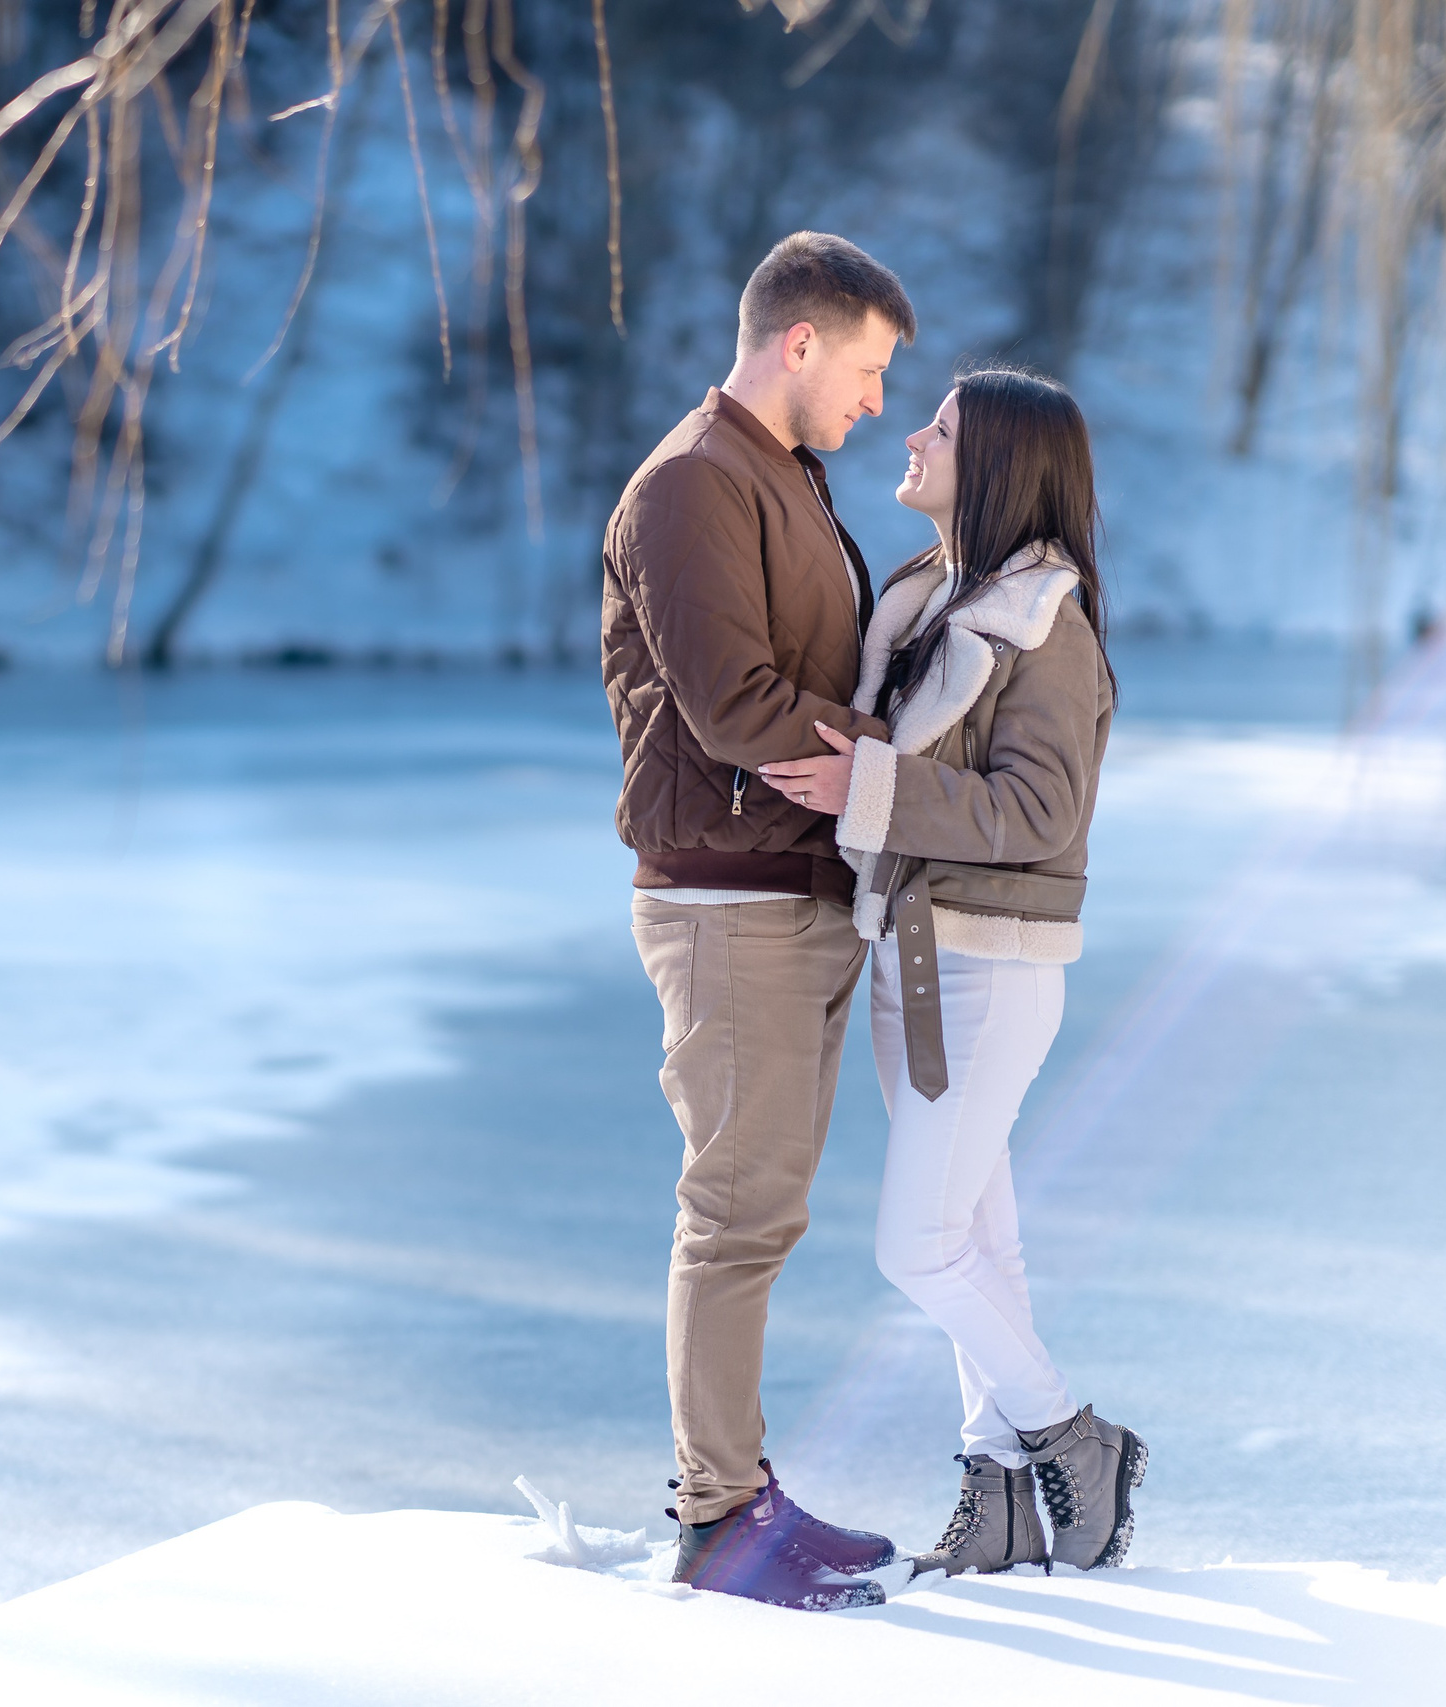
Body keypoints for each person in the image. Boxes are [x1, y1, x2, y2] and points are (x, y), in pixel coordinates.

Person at [756, 366, 1147, 1579]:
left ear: (999, 467)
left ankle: (1075, 1442)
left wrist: (868, 785)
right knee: (978, 1237)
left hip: (986, 966)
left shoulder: (1047, 624)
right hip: (914, 951)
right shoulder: (933, 599)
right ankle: (1002, 1496)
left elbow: (1040, 810)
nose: (913, 436)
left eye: (943, 428)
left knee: (915, 1248)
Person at [600, 232, 915, 1610]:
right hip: (728, 903)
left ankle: (743, 1490)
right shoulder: (688, 485)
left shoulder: (783, 475)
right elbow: (736, 710)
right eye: (869, 365)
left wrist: (874, 767)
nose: (877, 400)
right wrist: (893, 763)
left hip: (801, 893)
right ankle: (716, 1515)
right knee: (734, 1214)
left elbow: (810, 705)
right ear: (800, 341)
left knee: (766, 1209)